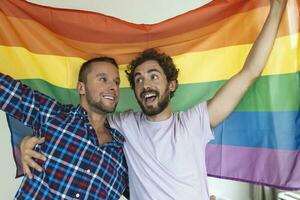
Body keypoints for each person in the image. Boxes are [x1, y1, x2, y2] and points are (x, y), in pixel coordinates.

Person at [20, 0, 287, 199]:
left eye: (153, 76)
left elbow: (249, 73)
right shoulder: (122, 125)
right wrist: (28, 141)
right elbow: (80, 125)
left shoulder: (193, 122)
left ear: (171, 84)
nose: (145, 83)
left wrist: (277, 8)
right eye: (137, 79)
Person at [0, 57, 128, 199]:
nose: (113, 87)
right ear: (81, 87)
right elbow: (6, 91)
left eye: (116, 82)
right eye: (103, 79)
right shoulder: (54, 115)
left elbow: (151, 189)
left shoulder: (123, 152)